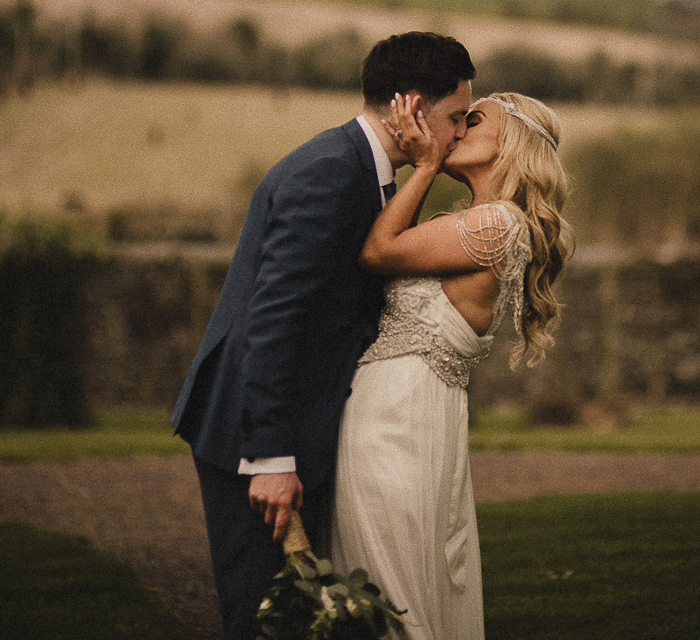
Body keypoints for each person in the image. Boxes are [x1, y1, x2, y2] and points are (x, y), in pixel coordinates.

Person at [169, 31, 475, 640]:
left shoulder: (373, 173)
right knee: (267, 618)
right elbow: (272, 321)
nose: (461, 132)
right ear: (410, 107)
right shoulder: (330, 174)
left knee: (313, 619)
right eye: (456, 117)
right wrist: (271, 459)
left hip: (295, 421)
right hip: (249, 434)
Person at [328, 91, 573, 640]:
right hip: (407, 412)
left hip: (399, 418)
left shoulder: (498, 226)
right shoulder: (478, 222)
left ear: (512, 141)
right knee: (390, 575)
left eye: (472, 120)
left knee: (388, 589)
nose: (456, 129)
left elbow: (377, 252)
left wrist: (426, 164)